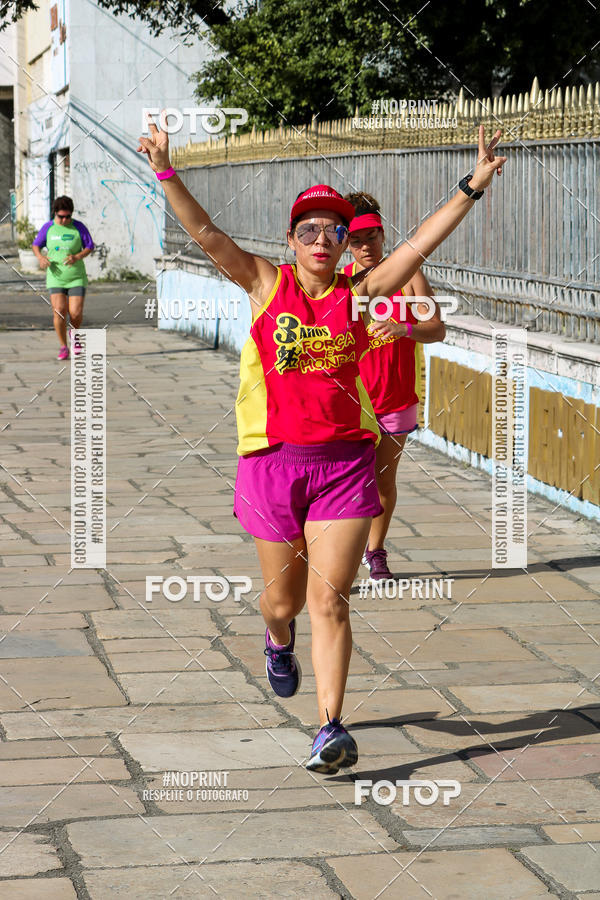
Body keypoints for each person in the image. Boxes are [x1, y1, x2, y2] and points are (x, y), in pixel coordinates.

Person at [137, 117, 506, 774]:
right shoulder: (263, 285)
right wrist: (166, 168)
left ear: (343, 243)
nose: (320, 238)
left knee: (329, 600)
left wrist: (472, 185)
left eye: (332, 231)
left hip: (342, 467)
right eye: (307, 228)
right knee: (282, 604)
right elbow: (205, 234)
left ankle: (330, 728)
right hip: (272, 466)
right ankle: (277, 643)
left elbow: (419, 245)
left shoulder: (360, 296)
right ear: (290, 239)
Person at [342, 192, 446, 580]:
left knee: (384, 480)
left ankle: (376, 552)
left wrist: (405, 328)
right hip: (354, 402)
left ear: (383, 236)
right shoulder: (343, 285)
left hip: (397, 398)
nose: (365, 247)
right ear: (345, 243)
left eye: (371, 237)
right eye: (355, 240)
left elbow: (438, 329)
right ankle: (342, 559)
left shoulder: (409, 276)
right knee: (349, 484)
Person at [32, 196, 94, 360]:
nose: (65, 220)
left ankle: (75, 337)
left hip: (76, 277)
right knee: (59, 311)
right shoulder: (48, 228)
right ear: (55, 214)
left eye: (68, 216)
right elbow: (36, 245)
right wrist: (40, 258)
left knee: (75, 313)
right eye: (61, 216)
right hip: (56, 277)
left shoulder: (78, 227)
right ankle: (63, 346)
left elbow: (89, 246)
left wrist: (77, 257)